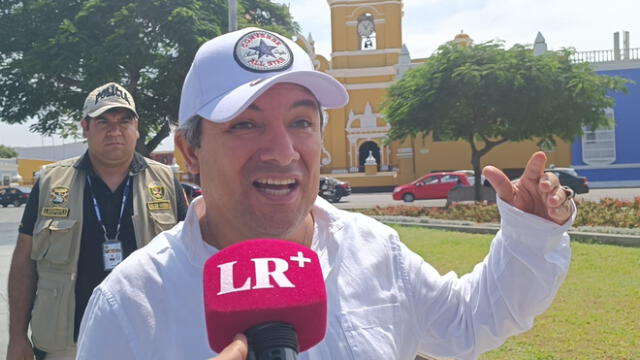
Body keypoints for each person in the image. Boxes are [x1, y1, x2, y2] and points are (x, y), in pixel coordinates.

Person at [77, 28, 575, 360]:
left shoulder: (375, 252)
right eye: (246, 124)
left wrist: (529, 237)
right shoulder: (131, 303)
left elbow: (471, 319)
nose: (282, 150)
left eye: (301, 122)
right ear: (190, 150)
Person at [7, 82, 188, 360]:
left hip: (148, 342)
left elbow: (192, 258)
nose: (114, 130)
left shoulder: (165, 182)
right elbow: (23, 261)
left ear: (136, 127)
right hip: (65, 345)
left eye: (124, 121)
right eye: (103, 121)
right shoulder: (50, 183)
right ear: (85, 127)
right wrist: (17, 336)